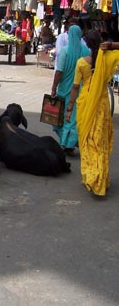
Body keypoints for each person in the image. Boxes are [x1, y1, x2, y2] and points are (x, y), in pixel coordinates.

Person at [65, 31, 119, 196]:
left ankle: (91, 176)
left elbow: (75, 87)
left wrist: (69, 109)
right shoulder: (107, 59)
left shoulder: (81, 63)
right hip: (102, 103)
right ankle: (101, 178)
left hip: (86, 103)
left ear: (87, 45)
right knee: (100, 141)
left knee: (88, 140)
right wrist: (112, 45)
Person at [51, 24, 90, 154]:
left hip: (64, 88)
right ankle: (70, 144)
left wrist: (53, 88)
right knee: (73, 117)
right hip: (81, 90)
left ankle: (64, 143)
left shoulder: (65, 51)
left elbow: (59, 72)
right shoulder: (86, 51)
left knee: (63, 116)